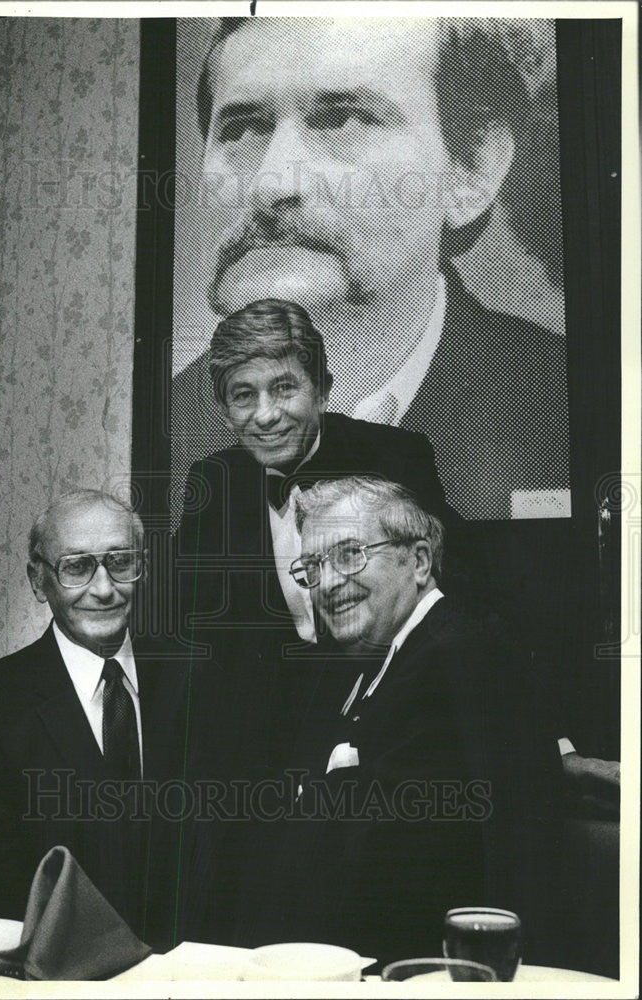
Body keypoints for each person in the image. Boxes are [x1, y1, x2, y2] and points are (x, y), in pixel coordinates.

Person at [173, 16, 569, 520]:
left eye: (343, 120)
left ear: (473, 168)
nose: (271, 185)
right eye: (243, 128)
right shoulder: (164, 428)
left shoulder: (564, 409)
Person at [231, 475, 560, 963]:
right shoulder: (386, 657)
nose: (327, 583)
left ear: (420, 561)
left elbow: (414, 859)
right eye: (313, 567)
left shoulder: (456, 656)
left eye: (349, 554)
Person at [175, 298, 467, 784]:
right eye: (243, 395)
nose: (265, 415)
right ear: (225, 411)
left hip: (390, 730)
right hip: (263, 754)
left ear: (322, 391)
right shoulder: (213, 483)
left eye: (284, 388)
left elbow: (466, 597)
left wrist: (551, 744)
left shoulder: (393, 457)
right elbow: (184, 623)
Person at [0, 489, 190, 945]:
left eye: (121, 562)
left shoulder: (195, 682)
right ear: (37, 580)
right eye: (77, 566)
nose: (104, 589)